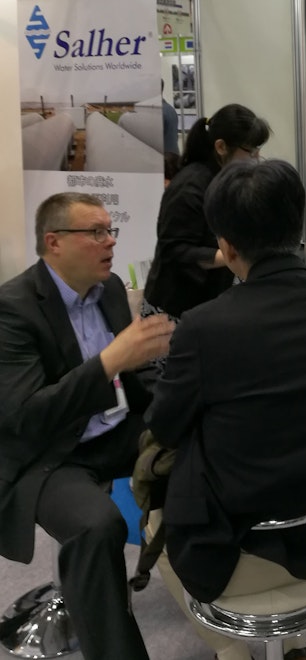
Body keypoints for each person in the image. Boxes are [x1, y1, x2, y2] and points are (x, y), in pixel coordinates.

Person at [146, 159, 306, 660]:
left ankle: (231, 650)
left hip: (237, 540)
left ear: (226, 247)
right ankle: (290, 641)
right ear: (298, 228)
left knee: (152, 503)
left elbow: (165, 425)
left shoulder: (203, 327)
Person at [0, 193, 175, 660]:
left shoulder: (110, 288)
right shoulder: (13, 308)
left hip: (112, 427)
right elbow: (25, 418)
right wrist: (108, 362)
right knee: (97, 527)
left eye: (109, 230)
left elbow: (136, 376)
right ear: (53, 242)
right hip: (51, 454)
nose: (110, 241)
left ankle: (221, 606)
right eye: (95, 232)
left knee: (200, 448)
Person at [143, 103, 270, 320]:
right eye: (250, 151)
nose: (256, 159)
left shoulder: (226, 179)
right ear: (221, 147)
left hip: (211, 300)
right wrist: (231, 255)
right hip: (174, 307)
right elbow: (175, 250)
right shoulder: (190, 186)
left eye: (258, 151)